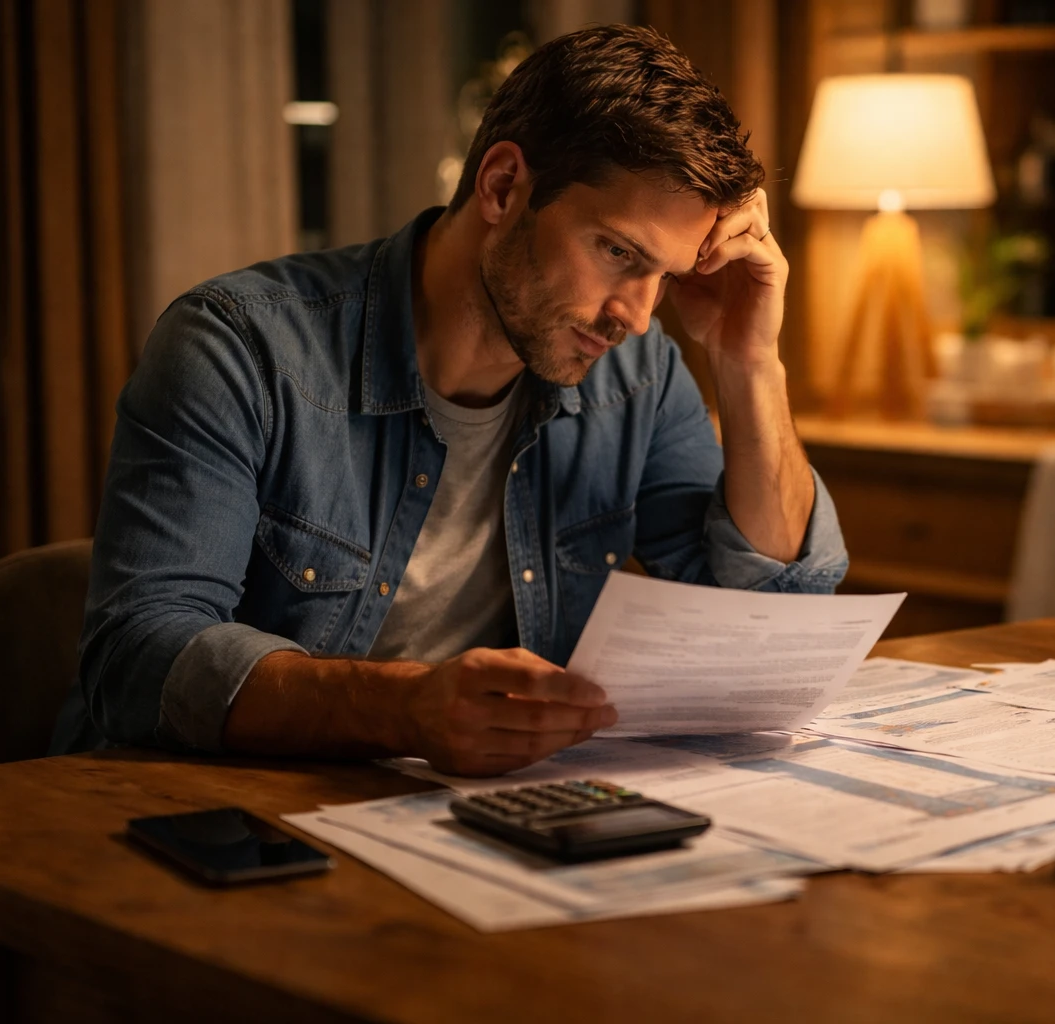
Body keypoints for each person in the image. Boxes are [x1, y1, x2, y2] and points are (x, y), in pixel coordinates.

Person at [49, 24, 848, 776]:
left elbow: (774, 615)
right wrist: (406, 710)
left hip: (469, 823)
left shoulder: (637, 375)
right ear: (503, 186)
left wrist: (750, 363)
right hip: (226, 820)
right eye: (616, 253)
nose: (636, 315)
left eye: (665, 277)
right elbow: (139, 655)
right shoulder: (239, 349)